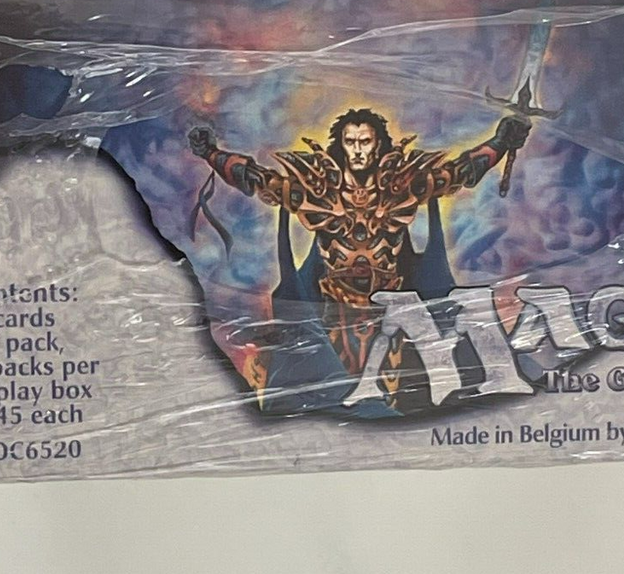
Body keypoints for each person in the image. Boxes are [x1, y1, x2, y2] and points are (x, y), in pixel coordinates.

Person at [189, 107, 530, 375]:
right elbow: (258, 179)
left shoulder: (401, 186)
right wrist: (211, 153)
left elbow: (457, 173)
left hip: (391, 299)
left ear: (377, 144)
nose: (357, 150)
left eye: (364, 142)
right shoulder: (317, 188)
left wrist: (500, 143)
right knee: (332, 373)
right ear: (341, 145)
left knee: (397, 374)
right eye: (351, 142)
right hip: (334, 302)